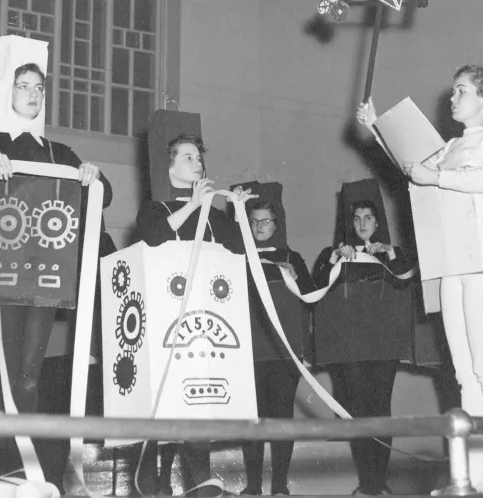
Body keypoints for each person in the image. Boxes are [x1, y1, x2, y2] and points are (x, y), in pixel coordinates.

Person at [0, 41, 112, 490]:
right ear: (5, 92)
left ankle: (21, 471)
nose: (33, 94)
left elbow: (104, 196)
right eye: (23, 86)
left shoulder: (58, 151)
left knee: (28, 377)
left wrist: (93, 174)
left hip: (43, 280)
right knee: (1, 373)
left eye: (39, 87)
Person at [357, 64, 483, 494]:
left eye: (461, 91)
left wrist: (438, 177)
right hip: (451, 266)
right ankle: (475, 471)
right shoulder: (449, 146)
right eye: (453, 91)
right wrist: (376, 127)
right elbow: (412, 165)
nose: (452, 99)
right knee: (465, 374)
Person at [135, 133, 254, 496]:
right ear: (169, 167)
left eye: (198, 156)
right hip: (165, 322)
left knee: (195, 398)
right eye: (187, 157)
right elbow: (153, 238)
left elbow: (239, 256)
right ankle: (157, 483)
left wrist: (239, 214)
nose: (196, 161)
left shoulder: (215, 215)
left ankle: (200, 479)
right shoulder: (156, 208)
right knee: (165, 400)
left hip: (204, 323)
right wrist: (194, 206)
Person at [313, 198, 413, 496]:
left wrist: (391, 254)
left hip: (383, 344)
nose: (362, 223)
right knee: (358, 411)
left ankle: (378, 483)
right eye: (356, 218)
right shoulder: (331, 254)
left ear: (378, 222)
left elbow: (406, 284)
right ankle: (367, 484)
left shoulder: (393, 254)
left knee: (381, 409)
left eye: (368, 217)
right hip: (350, 347)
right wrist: (333, 260)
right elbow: (314, 288)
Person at [240, 198, 315, 496]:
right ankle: (253, 485)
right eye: (254, 221)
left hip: (284, 351)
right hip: (248, 351)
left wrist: (295, 278)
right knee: (253, 419)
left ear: (275, 224)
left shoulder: (291, 256)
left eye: (265, 221)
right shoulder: (237, 256)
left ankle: (280, 485)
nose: (259, 227)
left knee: (282, 417)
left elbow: (311, 296)